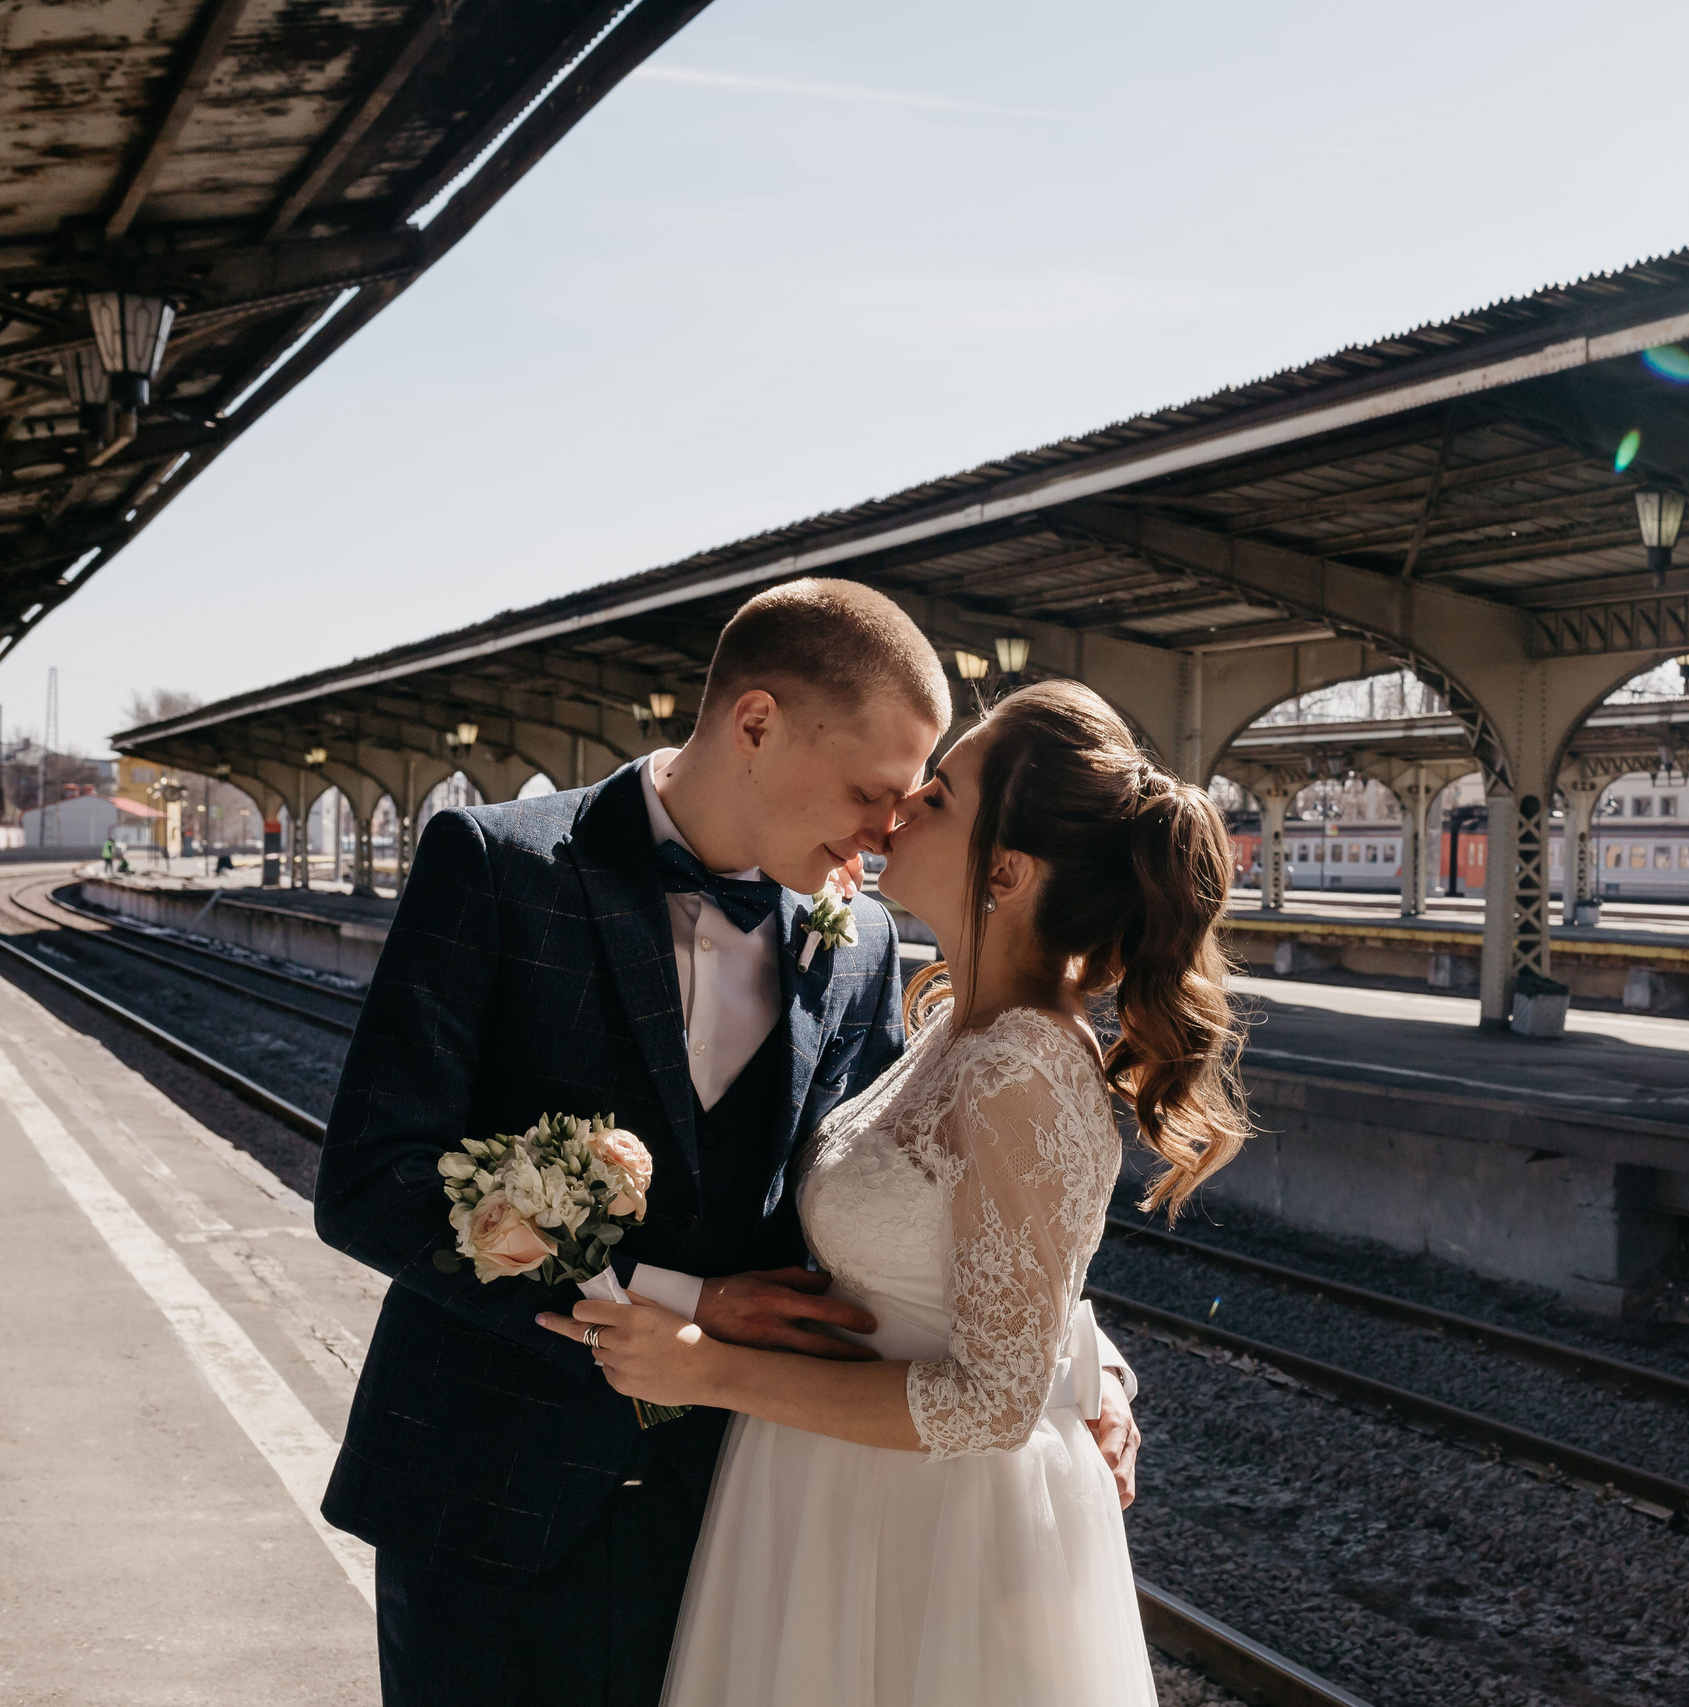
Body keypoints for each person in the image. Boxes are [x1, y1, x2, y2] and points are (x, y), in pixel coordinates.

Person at [312, 580, 1143, 1707]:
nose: (887, 826)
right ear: (754, 723)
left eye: (911, 799)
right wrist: (673, 1298)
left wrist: (1077, 1368)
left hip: (735, 1520)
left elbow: (925, 1206)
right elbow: (371, 1184)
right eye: (868, 789)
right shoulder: (498, 868)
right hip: (492, 1501)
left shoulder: (860, 943)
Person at [546, 678, 1247, 1707]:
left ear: (1002, 870)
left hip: (929, 1532)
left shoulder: (1023, 1066)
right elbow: (989, 1262)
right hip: (834, 1487)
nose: (902, 805)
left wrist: (708, 1372)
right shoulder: (953, 1031)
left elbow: (995, 1398)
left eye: (942, 797)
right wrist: (1085, 1358)